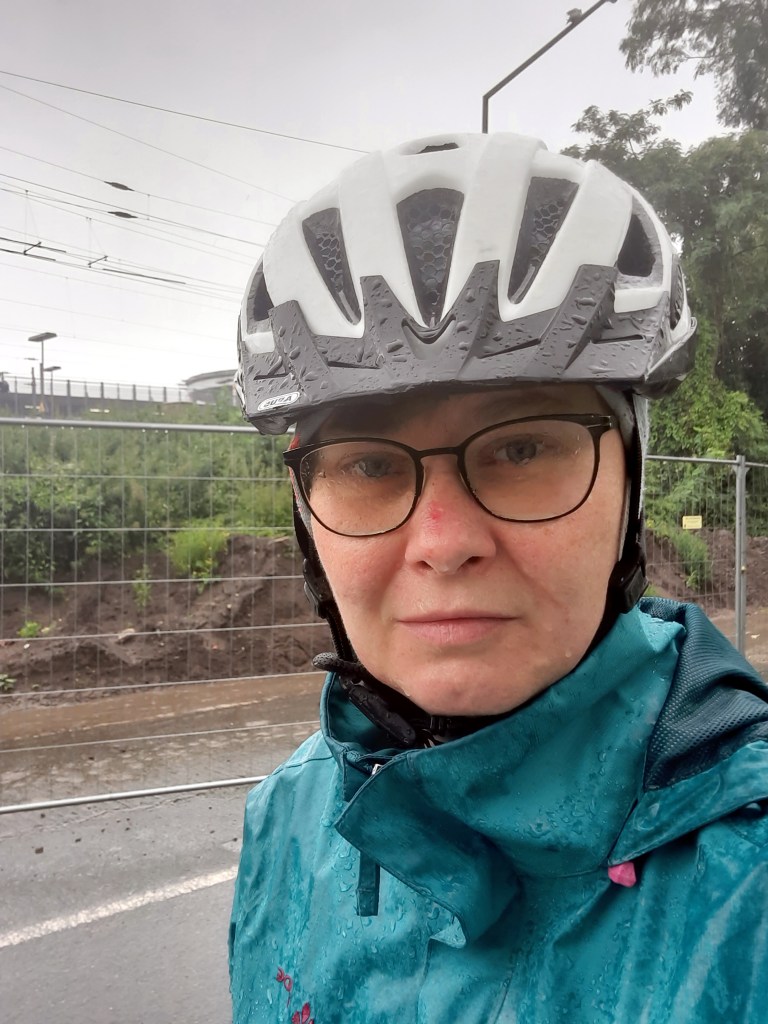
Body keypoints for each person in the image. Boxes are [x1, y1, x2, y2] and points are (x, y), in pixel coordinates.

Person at [229, 133, 768, 1023]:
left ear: (630, 488)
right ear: (303, 512)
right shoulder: (288, 819)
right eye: (368, 466)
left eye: (521, 448)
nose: (444, 543)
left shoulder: (746, 881)